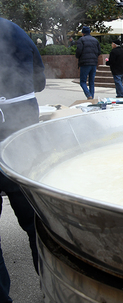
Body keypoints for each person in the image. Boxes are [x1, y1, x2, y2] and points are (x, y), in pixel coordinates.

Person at [0, 17, 45, 302]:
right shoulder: (14, 30)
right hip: (22, 140)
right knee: (36, 225)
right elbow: (39, 81)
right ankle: (51, 287)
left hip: (12, 133)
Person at [75, 26, 101, 100]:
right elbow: (99, 52)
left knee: (82, 81)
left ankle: (88, 95)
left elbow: (79, 51)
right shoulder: (95, 40)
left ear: (83, 33)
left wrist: (78, 56)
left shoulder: (81, 40)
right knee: (91, 81)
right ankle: (91, 96)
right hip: (94, 63)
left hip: (85, 63)